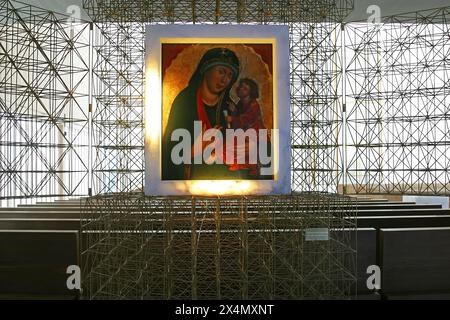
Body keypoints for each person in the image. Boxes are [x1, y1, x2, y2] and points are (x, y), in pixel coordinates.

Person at [162, 47, 241, 180]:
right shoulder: (185, 102)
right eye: (221, 72)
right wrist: (194, 150)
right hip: (193, 181)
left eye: (229, 76)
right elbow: (169, 152)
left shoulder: (229, 107)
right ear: (206, 70)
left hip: (224, 180)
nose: (224, 80)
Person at [226, 78, 267, 177]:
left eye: (245, 88)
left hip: (255, 135)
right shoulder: (240, 103)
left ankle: (254, 169)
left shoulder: (254, 104)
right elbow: (240, 115)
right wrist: (235, 110)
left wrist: (232, 118)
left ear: (250, 92)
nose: (241, 89)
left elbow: (247, 118)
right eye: (241, 87)